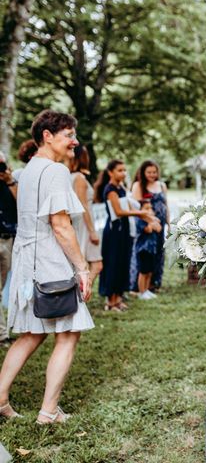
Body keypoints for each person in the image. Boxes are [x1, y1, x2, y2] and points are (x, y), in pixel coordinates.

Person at [0, 109, 93, 423]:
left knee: (30, 333)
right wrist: (82, 268)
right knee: (68, 333)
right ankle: (48, 411)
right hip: (50, 261)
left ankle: (0, 399)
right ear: (47, 136)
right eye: (69, 135)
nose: (75, 142)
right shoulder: (54, 171)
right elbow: (61, 226)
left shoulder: (28, 170)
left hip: (26, 261)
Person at [95, 160, 154, 311]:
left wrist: (146, 217)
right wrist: (141, 212)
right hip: (114, 231)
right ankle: (111, 301)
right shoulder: (110, 190)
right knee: (113, 264)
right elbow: (119, 212)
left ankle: (119, 298)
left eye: (124, 170)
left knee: (123, 263)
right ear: (110, 172)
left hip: (124, 230)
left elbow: (128, 207)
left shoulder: (121, 187)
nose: (123, 173)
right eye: (120, 170)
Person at [131, 161, 169, 291]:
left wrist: (168, 224)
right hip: (147, 225)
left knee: (158, 252)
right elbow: (136, 208)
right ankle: (138, 286)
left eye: (154, 172)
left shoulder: (162, 185)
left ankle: (154, 283)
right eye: (149, 172)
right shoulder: (138, 185)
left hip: (160, 224)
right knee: (145, 254)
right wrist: (149, 222)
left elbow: (166, 205)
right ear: (143, 172)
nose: (152, 175)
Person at [68, 146, 103, 284]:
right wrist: (92, 231)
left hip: (82, 222)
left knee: (91, 264)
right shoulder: (79, 178)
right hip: (84, 224)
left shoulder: (71, 176)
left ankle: (80, 298)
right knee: (94, 265)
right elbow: (83, 206)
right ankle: (80, 297)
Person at [0, 151, 17, 346]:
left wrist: (10, 180)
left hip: (7, 239)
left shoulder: (9, 183)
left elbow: (22, 204)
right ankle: (2, 335)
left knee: (3, 287)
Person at [134, 199, 162, 300]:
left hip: (152, 249)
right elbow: (149, 229)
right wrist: (151, 220)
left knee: (150, 271)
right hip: (143, 249)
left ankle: (146, 290)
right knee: (143, 271)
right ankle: (141, 292)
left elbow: (158, 228)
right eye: (146, 208)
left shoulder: (150, 219)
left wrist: (152, 220)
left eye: (150, 208)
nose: (149, 210)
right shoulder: (139, 220)